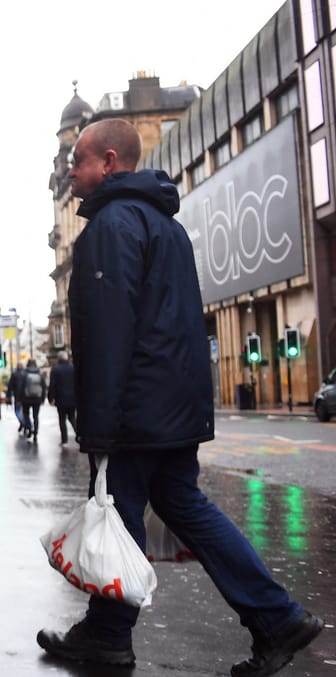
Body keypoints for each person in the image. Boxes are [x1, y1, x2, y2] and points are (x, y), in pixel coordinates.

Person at [36, 119, 322, 676]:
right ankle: (273, 617)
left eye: (79, 160)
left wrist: (98, 424)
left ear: (110, 161)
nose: (71, 170)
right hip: (172, 403)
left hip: (136, 409)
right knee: (180, 505)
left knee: (121, 512)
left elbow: (110, 331)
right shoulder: (164, 226)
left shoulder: (111, 227)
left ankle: (111, 634)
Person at [47, 350, 77, 444]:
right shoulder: (73, 368)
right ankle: (79, 435)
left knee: (62, 419)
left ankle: (64, 439)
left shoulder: (55, 369)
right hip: (73, 398)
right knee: (72, 417)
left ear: (58, 359)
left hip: (61, 399)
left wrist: (50, 398)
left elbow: (52, 385)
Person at [20, 359, 46, 441]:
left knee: (26, 414)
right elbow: (43, 387)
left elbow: (21, 387)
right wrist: (43, 398)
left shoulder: (24, 373)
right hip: (37, 398)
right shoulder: (39, 373)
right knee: (36, 416)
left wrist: (20, 398)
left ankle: (29, 427)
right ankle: (36, 432)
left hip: (26, 398)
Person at [7, 363, 26, 433]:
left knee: (17, 411)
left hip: (17, 396)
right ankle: (24, 423)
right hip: (26, 397)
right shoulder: (25, 373)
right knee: (24, 412)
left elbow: (10, 386)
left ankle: (22, 422)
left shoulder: (15, 374)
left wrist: (8, 395)